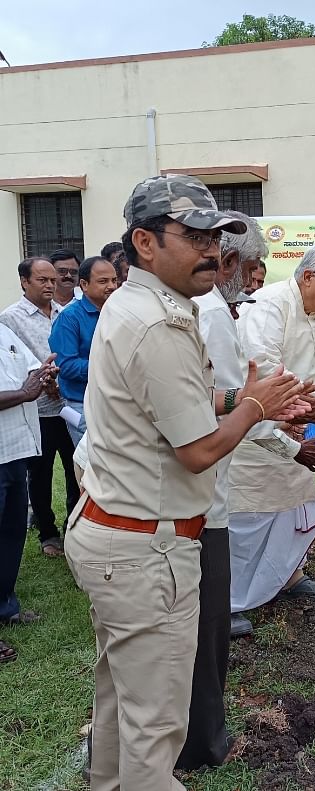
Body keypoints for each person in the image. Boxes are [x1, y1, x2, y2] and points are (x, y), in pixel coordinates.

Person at [63, 174, 304, 790]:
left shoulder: (144, 306)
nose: (211, 251)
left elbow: (184, 403)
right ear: (144, 242)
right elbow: (198, 450)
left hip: (119, 533)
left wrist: (249, 398)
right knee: (155, 726)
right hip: (145, 547)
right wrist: (252, 408)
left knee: (122, 699)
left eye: (215, 236)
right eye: (193, 236)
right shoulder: (157, 324)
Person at [178, 213, 315, 771]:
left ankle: (201, 736)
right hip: (193, 486)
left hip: (224, 463)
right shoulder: (220, 315)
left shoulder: (213, 309)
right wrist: (289, 435)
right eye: (249, 265)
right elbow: (226, 407)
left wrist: (291, 412)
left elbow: (227, 400)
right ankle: (199, 743)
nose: (252, 275)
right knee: (210, 598)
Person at [229, 243, 315, 616]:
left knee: (293, 512)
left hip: (302, 428)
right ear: (307, 277)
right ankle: (231, 599)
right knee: (248, 520)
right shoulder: (269, 306)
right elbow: (267, 369)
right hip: (258, 431)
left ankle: (288, 577)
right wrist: (313, 407)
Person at [0, 258, 79, 557]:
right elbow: (11, 367)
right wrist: (41, 380)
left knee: (76, 469)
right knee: (41, 475)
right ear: (24, 281)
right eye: (42, 280)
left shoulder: (65, 313)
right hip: (38, 409)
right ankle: (48, 534)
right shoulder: (10, 318)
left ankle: (74, 529)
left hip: (69, 405)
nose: (50, 285)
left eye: (52, 280)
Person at [0, 322, 57, 662]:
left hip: (14, 450)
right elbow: (24, 388)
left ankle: (6, 606)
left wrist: (43, 374)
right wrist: (24, 393)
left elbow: (30, 368)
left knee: (10, 535)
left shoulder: (4, 331)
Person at [48, 256, 118, 445]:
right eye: (103, 281)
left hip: (118, 402)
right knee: (92, 466)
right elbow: (67, 366)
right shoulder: (69, 318)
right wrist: (113, 368)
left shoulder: (120, 313)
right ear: (84, 285)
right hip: (84, 405)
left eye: (114, 280)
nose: (111, 286)